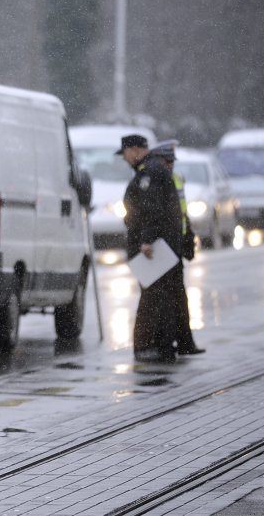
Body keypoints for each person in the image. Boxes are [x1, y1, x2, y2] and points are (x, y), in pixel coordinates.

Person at [117, 134, 184, 363]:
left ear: (135, 150)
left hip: (154, 248)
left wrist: (146, 240)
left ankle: (150, 346)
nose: (125, 159)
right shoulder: (153, 170)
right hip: (164, 244)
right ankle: (162, 345)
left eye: (125, 153)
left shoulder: (149, 172)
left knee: (153, 298)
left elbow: (150, 209)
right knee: (161, 297)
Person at [151, 140, 205, 355]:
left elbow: (182, 214)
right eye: (167, 161)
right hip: (166, 247)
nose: (170, 165)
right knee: (169, 299)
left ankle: (184, 342)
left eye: (172, 161)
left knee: (179, 298)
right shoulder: (159, 179)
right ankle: (170, 343)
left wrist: (188, 238)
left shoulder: (175, 179)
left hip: (176, 245)